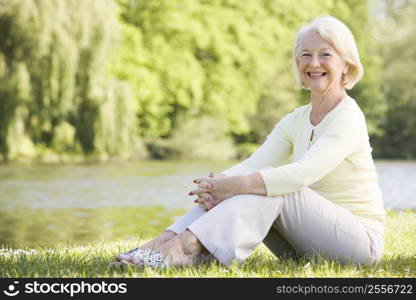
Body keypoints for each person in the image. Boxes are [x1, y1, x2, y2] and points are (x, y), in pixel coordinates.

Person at [112, 15, 385, 269]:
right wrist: (215, 186)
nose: (313, 63)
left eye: (325, 55)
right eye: (305, 55)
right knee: (253, 181)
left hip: (359, 245)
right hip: (303, 243)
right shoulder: (296, 119)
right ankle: (160, 244)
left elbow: (303, 174)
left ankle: (182, 251)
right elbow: (254, 163)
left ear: (346, 65)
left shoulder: (348, 117)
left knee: (272, 185)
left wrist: (231, 185)